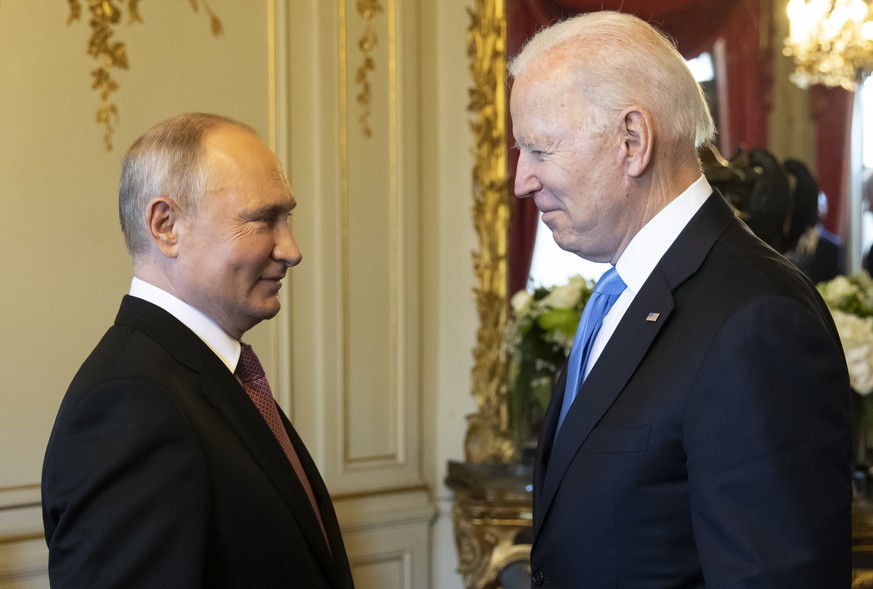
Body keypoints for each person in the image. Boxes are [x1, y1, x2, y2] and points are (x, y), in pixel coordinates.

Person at [509, 12, 852, 588]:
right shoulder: (621, 291)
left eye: (540, 150)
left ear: (633, 141)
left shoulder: (756, 318)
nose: (522, 180)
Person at [42, 113, 355, 588]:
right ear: (166, 225)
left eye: (286, 218)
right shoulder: (130, 406)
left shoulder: (207, 374)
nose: (291, 249)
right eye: (264, 220)